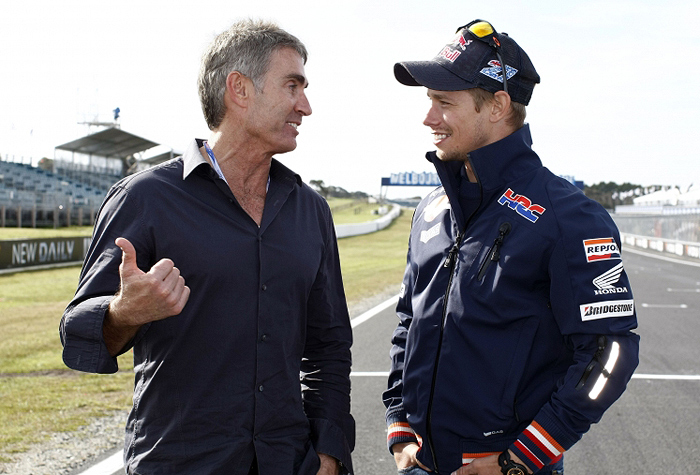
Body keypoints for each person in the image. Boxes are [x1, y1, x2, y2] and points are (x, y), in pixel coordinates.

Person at [60, 19, 354, 475]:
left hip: (289, 461)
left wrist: (331, 452)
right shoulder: (146, 198)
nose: (306, 106)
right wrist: (123, 312)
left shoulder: (311, 211)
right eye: (292, 86)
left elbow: (329, 345)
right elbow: (77, 333)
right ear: (239, 89)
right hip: (180, 461)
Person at [383, 19, 640, 475]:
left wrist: (521, 459)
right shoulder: (430, 209)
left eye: (444, 103)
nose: (428, 118)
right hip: (418, 463)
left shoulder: (569, 217)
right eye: (429, 102)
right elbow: (410, 320)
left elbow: (610, 351)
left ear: (498, 105)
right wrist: (399, 423)